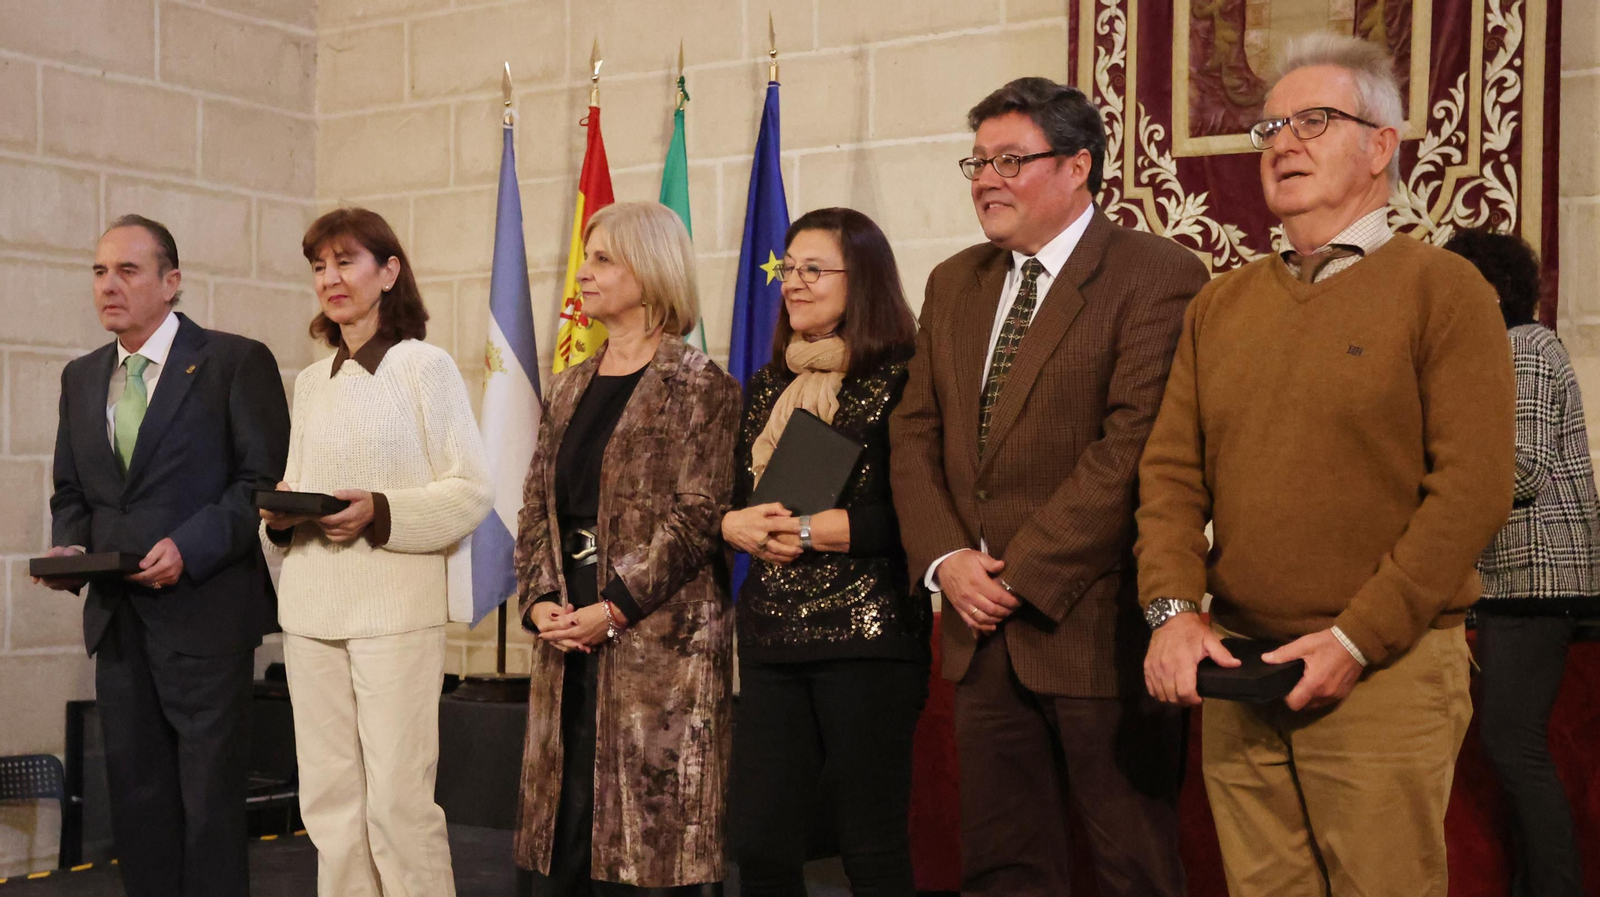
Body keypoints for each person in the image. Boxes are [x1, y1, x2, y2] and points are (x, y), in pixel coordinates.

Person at [1135, 33, 1517, 897]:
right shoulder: (1221, 303)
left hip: (1383, 668)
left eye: (1315, 120)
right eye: (1270, 125)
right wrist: (1171, 611)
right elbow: (1168, 476)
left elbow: (1472, 489)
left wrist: (1357, 637)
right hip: (1239, 664)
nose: (1283, 142)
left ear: (1381, 145)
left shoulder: (1444, 290)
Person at [889, 78, 1210, 897]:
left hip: (1093, 625)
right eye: (978, 161)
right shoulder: (953, 281)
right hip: (974, 626)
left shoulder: (1156, 273)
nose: (985, 180)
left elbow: (1132, 448)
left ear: (1077, 167)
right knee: (1003, 867)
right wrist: (948, 560)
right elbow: (914, 432)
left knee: (1133, 864)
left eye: (1009, 160)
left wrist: (1019, 576)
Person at [39, 214, 289, 897]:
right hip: (120, 623)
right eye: (98, 271)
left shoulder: (234, 362)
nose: (108, 286)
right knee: (139, 801)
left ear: (171, 281)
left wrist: (190, 545)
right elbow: (72, 488)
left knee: (208, 804)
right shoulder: (81, 376)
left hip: (204, 615)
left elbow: (260, 485)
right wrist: (72, 545)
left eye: (127, 270)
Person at [258, 207, 492, 897]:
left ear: (389, 272)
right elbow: (301, 486)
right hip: (309, 609)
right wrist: (281, 515)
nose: (329, 277)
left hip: (394, 611)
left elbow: (472, 489)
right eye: (319, 266)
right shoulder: (309, 380)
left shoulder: (426, 366)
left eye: (346, 261)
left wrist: (380, 510)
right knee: (328, 803)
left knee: (398, 802)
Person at [512, 201, 740, 896]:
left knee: (642, 852)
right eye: (588, 255)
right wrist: (542, 599)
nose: (585, 272)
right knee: (565, 834)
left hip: (658, 649)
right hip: (567, 640)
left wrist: (613, 605)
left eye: (604, 257)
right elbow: (534, 507)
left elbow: (698, 516)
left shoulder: (702, 384)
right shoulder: (570, 384)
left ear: (652, 268)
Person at [722, 207, 932, 897]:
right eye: (790, 268)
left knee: (868, 843)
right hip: (770, 632)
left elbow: (919, 515)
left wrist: (814, 530)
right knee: (759, 841)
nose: (794, 283)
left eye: (815, 269)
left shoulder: (906, 377)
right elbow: (727, 499)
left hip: (866, 633)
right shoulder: (767, 385)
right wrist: (736, 526)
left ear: (862, 278)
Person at [1447, 229, 1596, 897]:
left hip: (1539, 579)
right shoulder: (1502, 349)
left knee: (1514, 745)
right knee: (1513, 745)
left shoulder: (1524, 346)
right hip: (1516, 581)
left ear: (1488, 287)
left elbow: (1522, 468)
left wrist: (1433, 474)